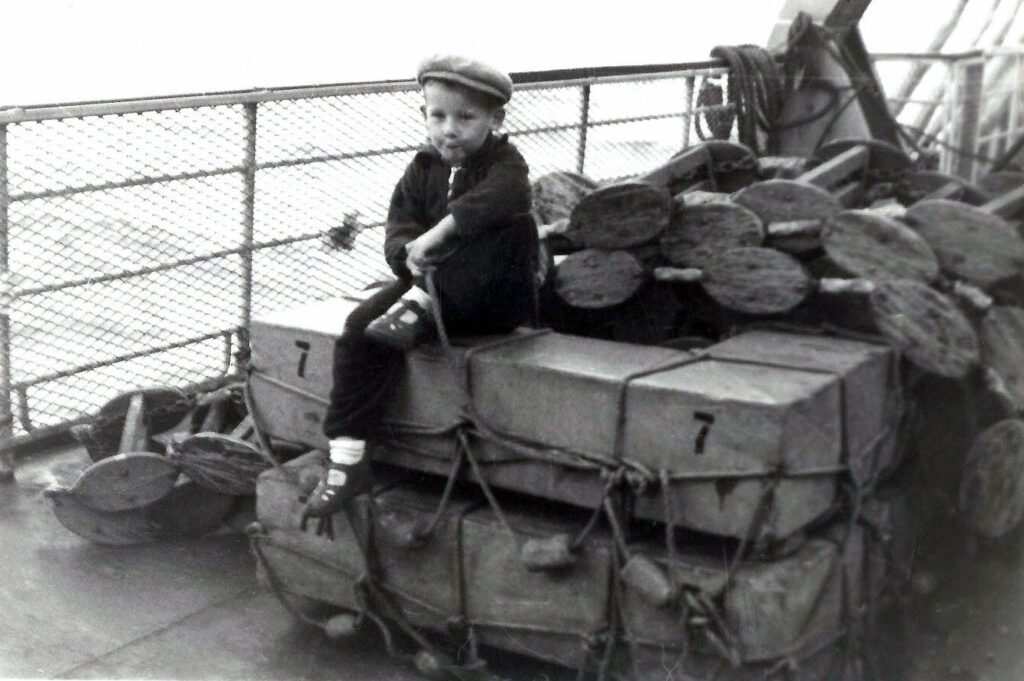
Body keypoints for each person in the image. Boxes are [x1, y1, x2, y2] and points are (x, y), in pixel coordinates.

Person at [301, 54, 539, 519]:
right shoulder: (422, 168)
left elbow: (496, 201)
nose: (450, 129)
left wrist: (438, 235)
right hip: (422, 292)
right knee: (360, 328)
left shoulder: (507, 166)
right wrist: (408, 251)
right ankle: (348, 459)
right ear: (424, 116)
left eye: (467, 118)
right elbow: (400, 224)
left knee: (509, 226)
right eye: (438, 115)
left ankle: (424, 302)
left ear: (496, 119)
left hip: (491, 301)